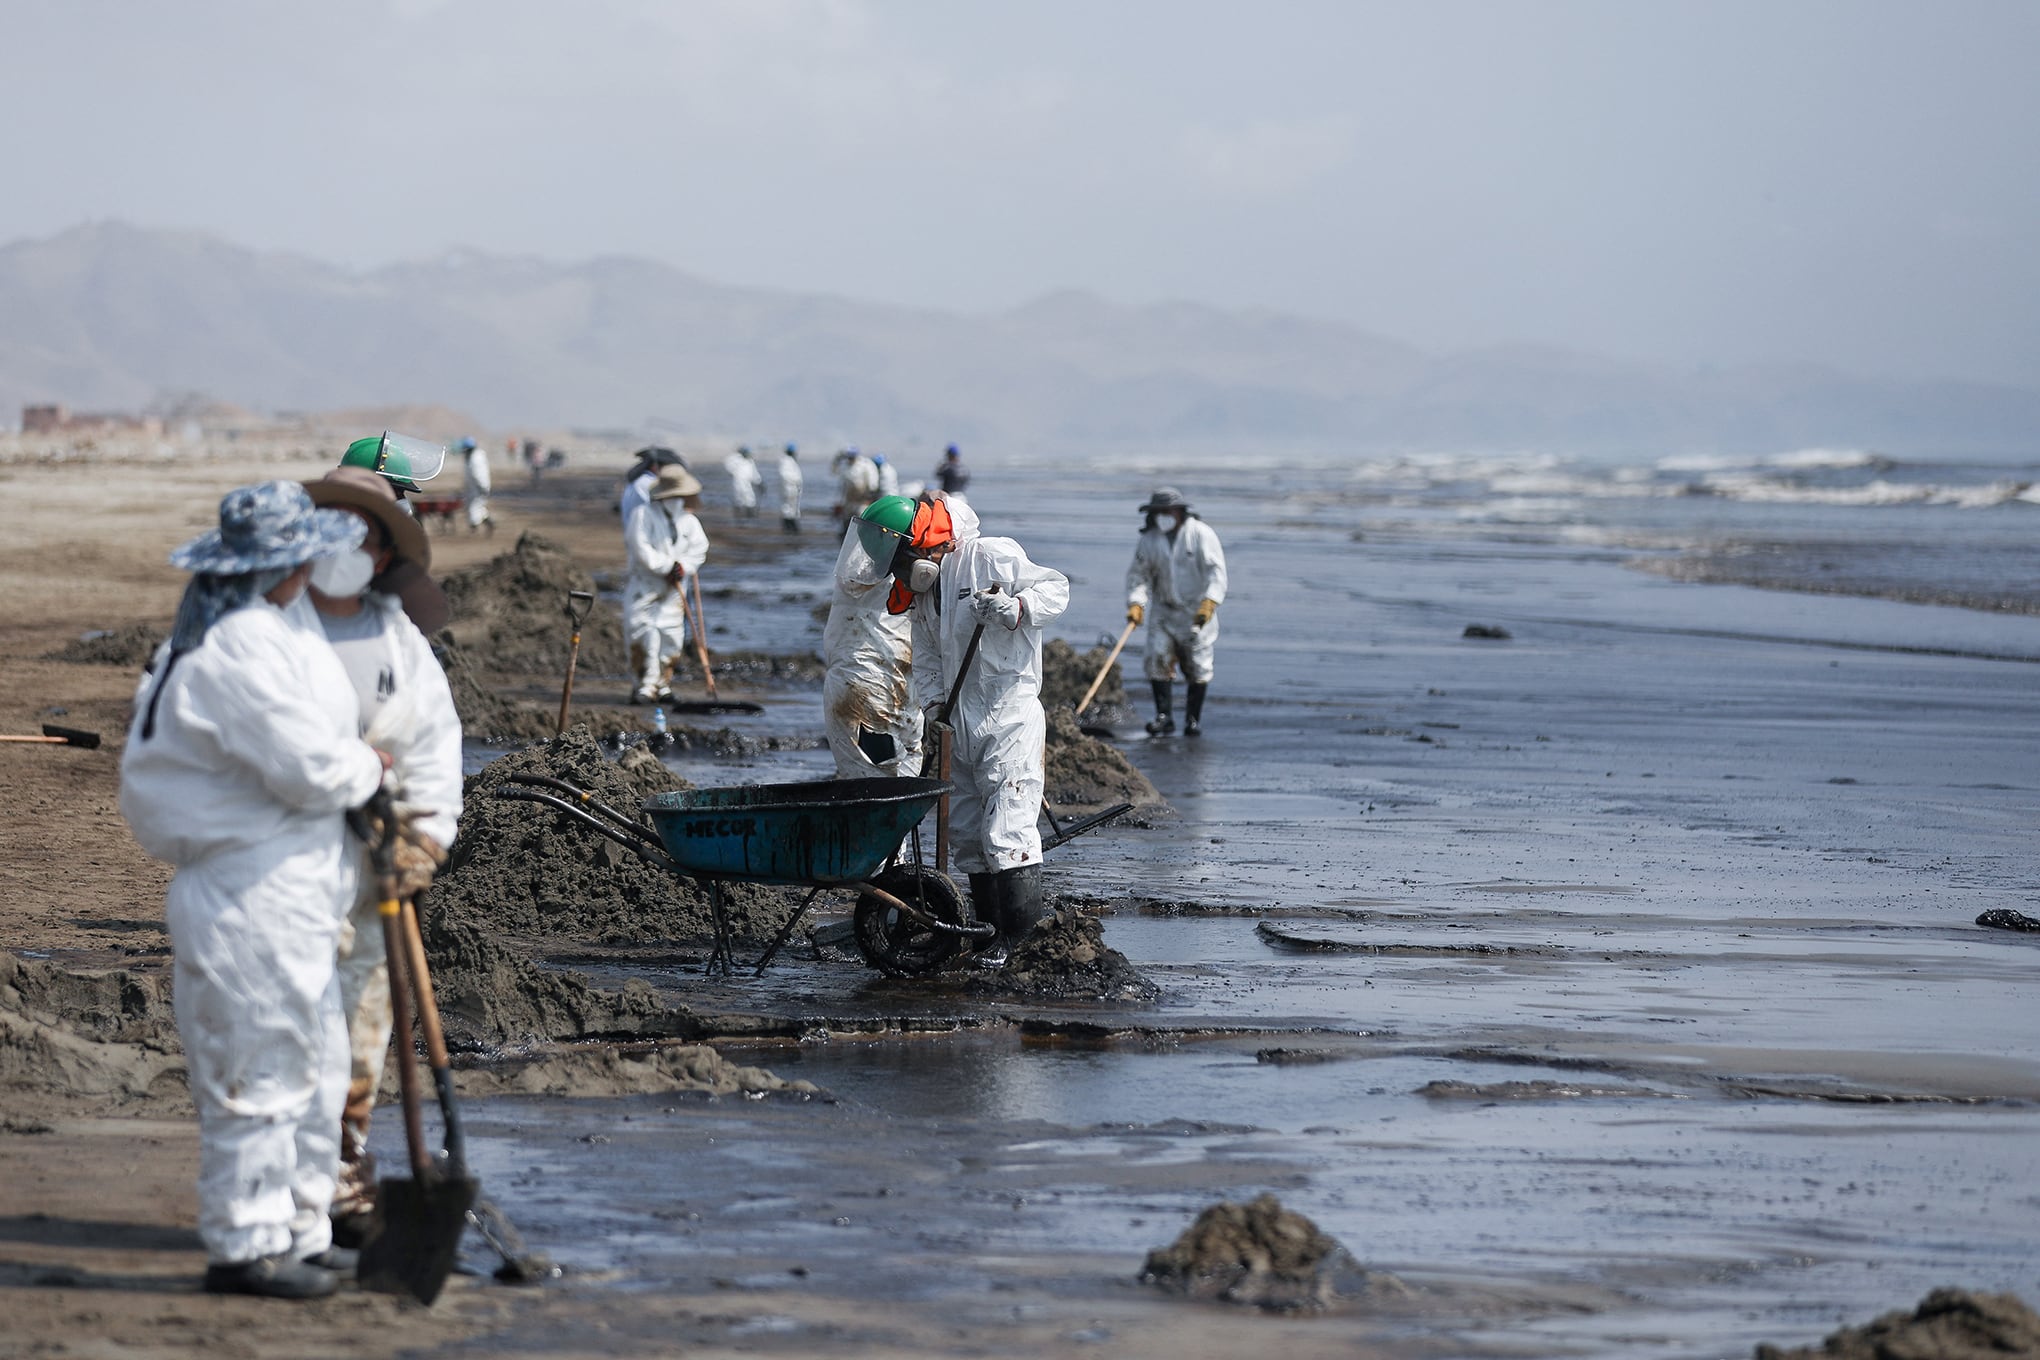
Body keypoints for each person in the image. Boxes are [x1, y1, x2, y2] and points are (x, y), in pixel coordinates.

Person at [118, 481, 387, 1300]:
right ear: (283, 564)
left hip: (286, 893)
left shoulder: (248, 633)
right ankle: (244, 1244)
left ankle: (299, 1230)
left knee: (308, 1060)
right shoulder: (237, 648)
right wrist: (371, 769)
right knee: (258, 1070)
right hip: (250, 897)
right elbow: (310, 766)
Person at [301, 467, 463, 1246]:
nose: (345, 542)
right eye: (329, 524)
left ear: (381, 547)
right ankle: (276, 1198)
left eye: (360, 530)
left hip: (375, 869)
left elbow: (433, 746)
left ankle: (344, 1175)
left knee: (363, 1027)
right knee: (284, 1033)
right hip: (279, 870)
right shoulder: (267, 623)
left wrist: (426, 840)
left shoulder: (396, 636)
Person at [897, 498, 1068, 963]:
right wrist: (934, 705)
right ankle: (989, 932)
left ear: (929, 542)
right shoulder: (923, 594)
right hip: (958, 721)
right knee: (970, 835)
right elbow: (927, 654)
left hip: (1007, 712)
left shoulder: (991, 555)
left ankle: (1021, 939)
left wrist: (1017, 607)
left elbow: (1057, 588)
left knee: (1008, 829)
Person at [826, 492, 978, 780]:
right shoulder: (870, 575)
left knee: (892, 780)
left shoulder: (878, 570)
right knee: (879, 782)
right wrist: (935, 507)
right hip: (867, 690)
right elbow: (965, 524)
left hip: (899, 688)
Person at [1124, 486, 1227, 736]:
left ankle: (1193, 720)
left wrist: (1210, 602)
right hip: (1163, 610)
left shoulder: (1202, 535)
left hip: (1196, 613)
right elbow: (1139, 576)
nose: (1163, 516)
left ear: (1179, 511)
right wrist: (1136, 603)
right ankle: (1164, 716)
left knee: (1198, 665)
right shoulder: (1149, 540)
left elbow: (1217, 572)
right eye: (1158, 511)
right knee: (1157, 658)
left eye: (1167, 511)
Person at [623, 465, 709, 703]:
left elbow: (699, 550)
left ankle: (663, 684)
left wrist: (684, 567)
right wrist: (667, 566)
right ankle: (644, 685)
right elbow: (640, 548)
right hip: (645, 585)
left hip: (675, 587)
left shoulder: (689, 521)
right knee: (643, 632)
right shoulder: (643, 515)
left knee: (670, 633)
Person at [620, 446, 684, 525]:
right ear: (654, 466)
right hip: (645, 532)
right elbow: (663, 509)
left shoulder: (639, 481)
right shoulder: (647, 483)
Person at [832, 447, 880, 525]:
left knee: (861, 518)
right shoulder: (845, 466)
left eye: (852, 456)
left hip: (862, 498)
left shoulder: (865, 465)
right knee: (847, 519)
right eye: (849, 457)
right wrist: (837, 459)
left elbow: (872, 481)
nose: (850, 458)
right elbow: (835, 473)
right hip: (849, 499)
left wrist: (870, 494)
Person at [459, 436, 493, 534]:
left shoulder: (476, 458)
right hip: (473, 487)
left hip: (479, 487)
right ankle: (488, 522)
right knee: (478, 507)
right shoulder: (470, 458)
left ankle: (473, 528)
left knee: (474, 507)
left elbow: (480, 474)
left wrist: (482, 487)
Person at [724, 445, 764, 519]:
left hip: (747, 483)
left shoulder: (750, 462)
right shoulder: (736, 460)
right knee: (738, 499)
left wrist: (759, 483)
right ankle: (738, 517)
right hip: (737, 483)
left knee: (750, 499)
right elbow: (728, 466)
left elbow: (754, 474)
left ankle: (750, 517)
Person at [777, 443, 804, 533]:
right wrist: (794, 481)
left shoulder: (791, 461)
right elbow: (784, 475)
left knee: (793, 507)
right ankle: (788, 525)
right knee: (787, 506)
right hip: (788, 488)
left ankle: (792, 524)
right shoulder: (785, 461)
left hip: (793, 488)